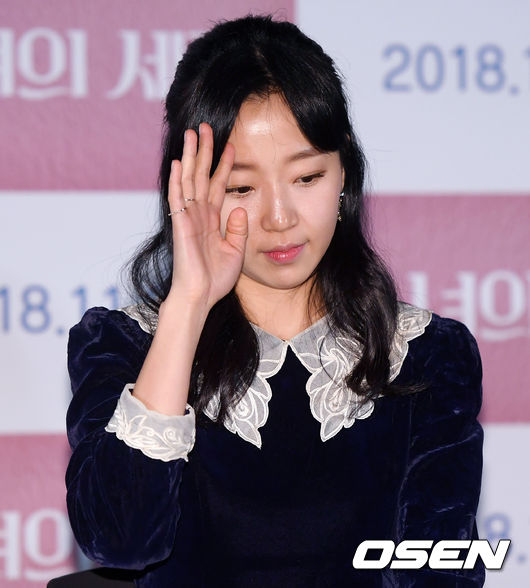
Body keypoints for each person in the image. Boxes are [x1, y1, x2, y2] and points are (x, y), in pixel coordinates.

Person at [65, 14, 485, 587]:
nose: (280, 218)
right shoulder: (123, 347)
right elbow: (118, 541)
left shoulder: (430, 356)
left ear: (344, 177)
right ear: (189, 191)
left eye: (307, 178)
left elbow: (444, 575)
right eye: (241, 188)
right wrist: (187, 306)